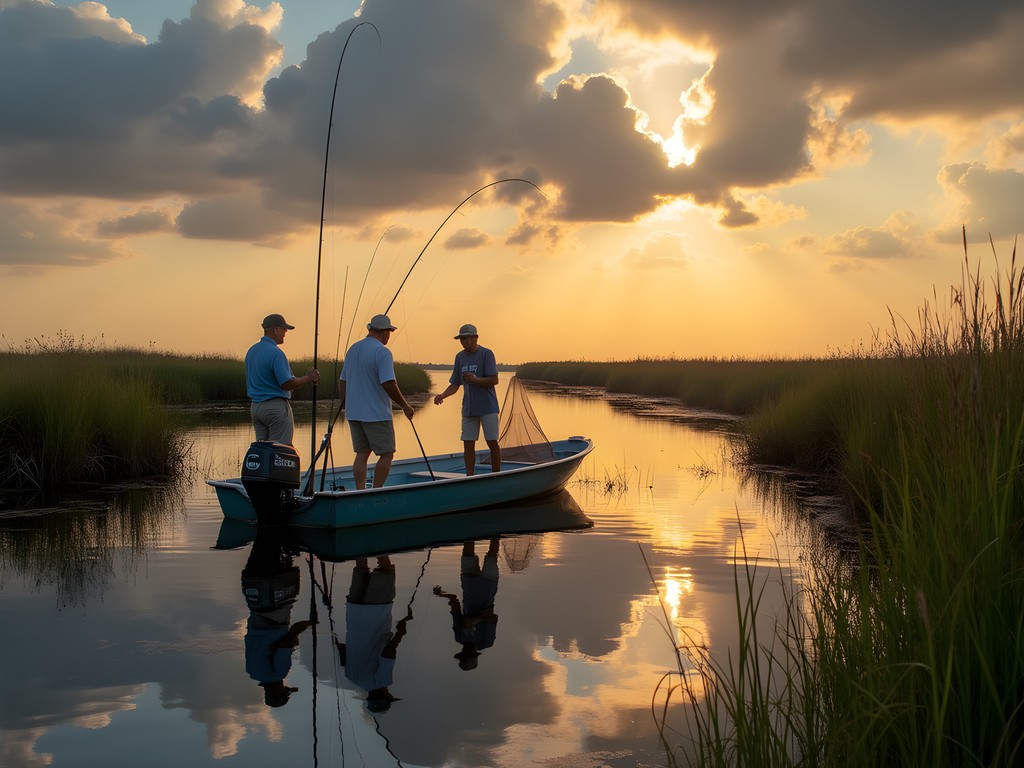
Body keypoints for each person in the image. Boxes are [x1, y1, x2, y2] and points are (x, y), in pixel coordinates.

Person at [338, 314, 415, 489]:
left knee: (361, 453)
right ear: (385, 332)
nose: (390, 335)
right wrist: (404, 405)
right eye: (390, 332)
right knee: (387, 453)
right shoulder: (382, 352)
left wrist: (346, 403)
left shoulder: (353, 349)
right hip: (376, 414)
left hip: (354, 413)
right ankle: (376, 490)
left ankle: (360, 491)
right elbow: (388, 383)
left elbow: (342, 381)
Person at [336, 556, 412, 714]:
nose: (388, 691)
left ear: (385, 695)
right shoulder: (352, 677)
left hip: (376, 611)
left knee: (386, 570)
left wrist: (400, 633)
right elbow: (342, 651)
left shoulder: (382, 681)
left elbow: (388, 653)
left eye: (388, 694)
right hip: (353, 612)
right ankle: (359, 544)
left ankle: (379, 542)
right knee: (361, 569)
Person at [433, 323, 501, 475]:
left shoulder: (486, 354)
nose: (464, 342)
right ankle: (470, 477)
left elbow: (494, 380)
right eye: (461, 339)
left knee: (492, 442)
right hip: (468, 408)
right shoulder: (460, 357)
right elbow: (456, 383)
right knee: (468, 444)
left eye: (467, 339)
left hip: (488, 407)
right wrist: (442, 396)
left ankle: (497, 474)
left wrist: (476, 380)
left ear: (475, 338)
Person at [244, 313, 320, 447]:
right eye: (283, 328)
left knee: (262, 450)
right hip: (275, 408)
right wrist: (309, 377)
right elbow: (286, 383)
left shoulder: (252, 351)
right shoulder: (275, 352)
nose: (285, 332)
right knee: (280, 450)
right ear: (275, 329)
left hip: (256, 408)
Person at [432, 538, 501, 671]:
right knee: (492, 552)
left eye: (462, 653)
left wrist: (442, 595)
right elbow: (493, 618)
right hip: (489, 585)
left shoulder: (459, 637)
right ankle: (495, 529)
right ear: (473, 655)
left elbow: (454, 604)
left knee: (468, 548)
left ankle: (472, 528)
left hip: (468, 583)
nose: (463, 650)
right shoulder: (486, 642)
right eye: (465, 654)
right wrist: (475, 620)